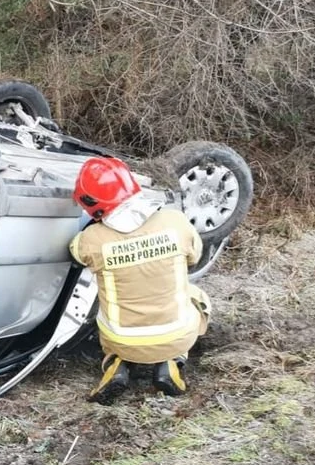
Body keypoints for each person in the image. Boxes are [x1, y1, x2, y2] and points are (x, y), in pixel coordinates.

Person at [68, 156, 211, 404]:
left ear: (91, 203)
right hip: (176, 335)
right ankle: (173, 361)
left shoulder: (91, 239)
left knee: (111, 308)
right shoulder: (175, 222)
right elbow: (194, 257)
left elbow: (76, 254)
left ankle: (116, 363)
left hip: (121, 339)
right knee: (198, 297)